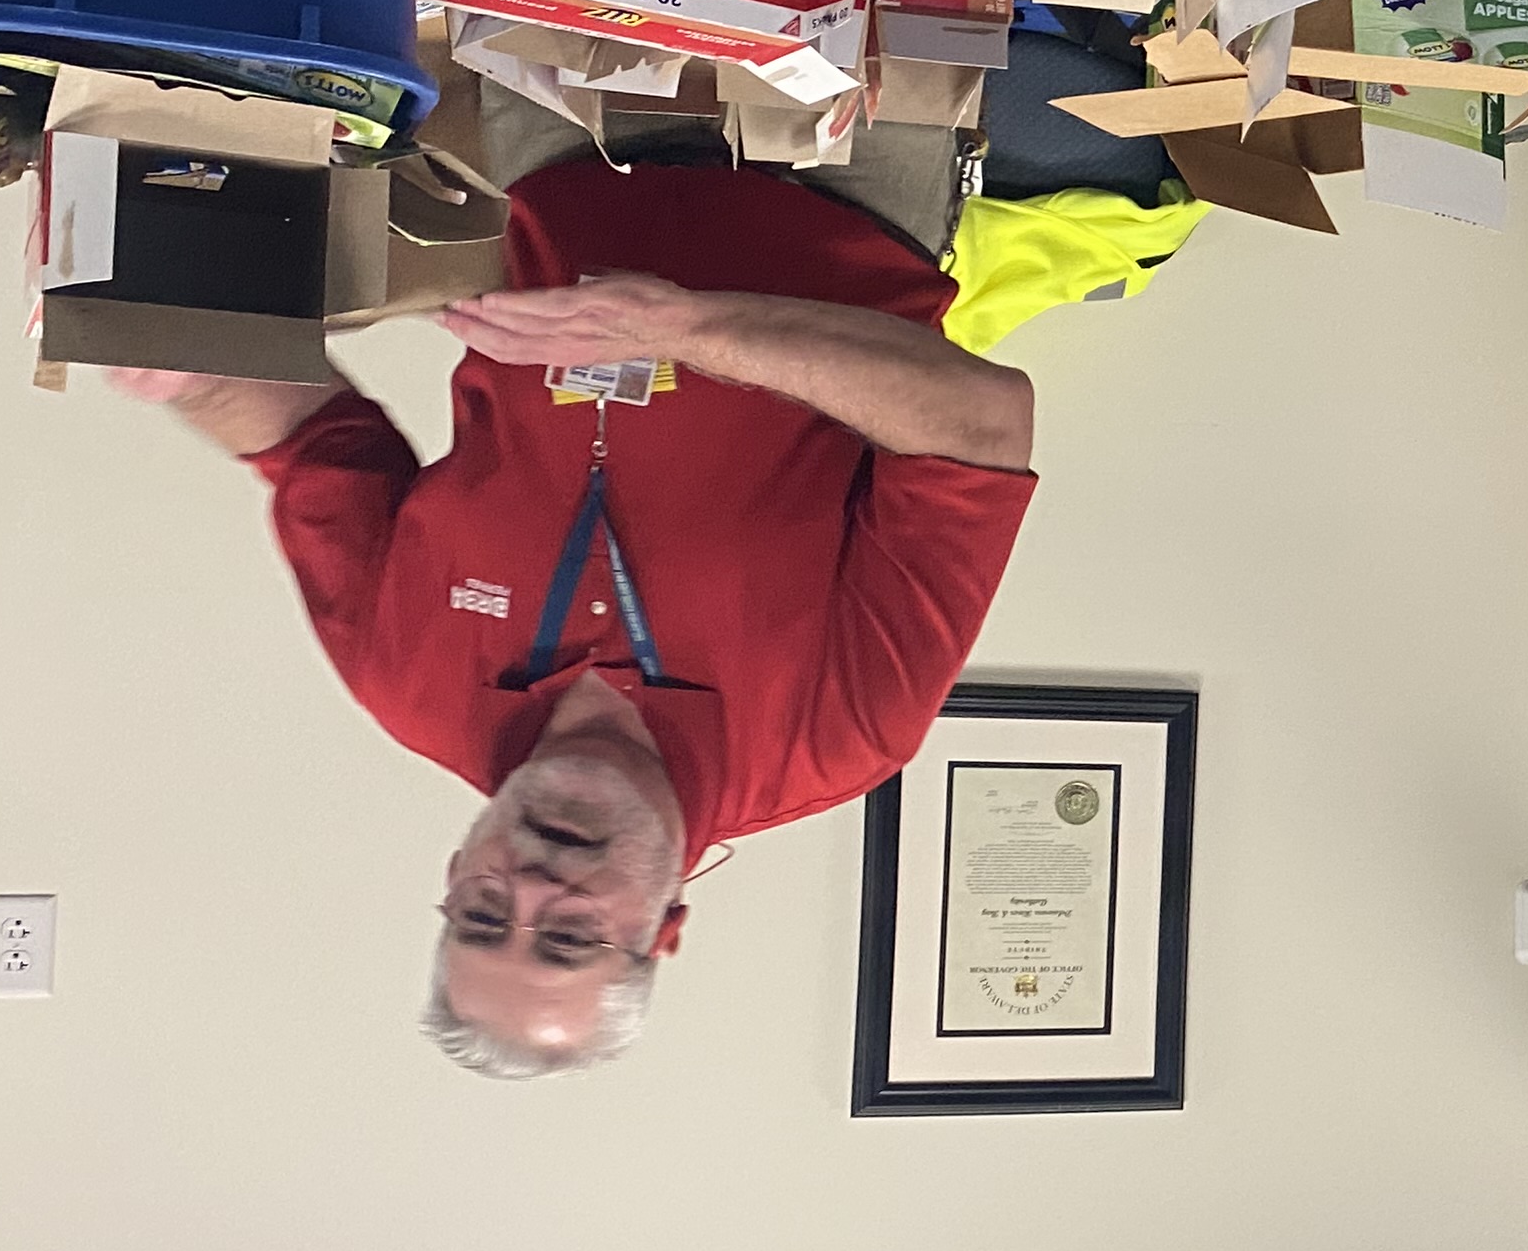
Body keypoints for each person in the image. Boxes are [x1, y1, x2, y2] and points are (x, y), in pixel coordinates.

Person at [112, 151, 1037, 1075]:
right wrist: (688, 329)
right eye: (566, 940)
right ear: (661, 929)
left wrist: (185, 374)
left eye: (485, 916)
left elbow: (311, 444)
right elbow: (981, 422)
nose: (534, 887)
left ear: (454, 874)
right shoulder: (839, 738)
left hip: (546, 150)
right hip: (839, 176)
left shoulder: (405, 687)